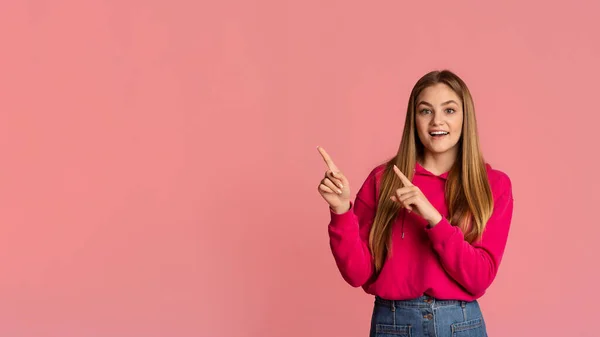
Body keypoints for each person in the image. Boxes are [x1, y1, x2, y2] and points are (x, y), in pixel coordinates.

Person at [316, 69, 514, 337]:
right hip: (394, 323)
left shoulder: (492, 184)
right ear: (414, 119)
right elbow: (357, 274)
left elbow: (480, 276)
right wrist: (340, 210)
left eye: (450, 110)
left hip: (460, 323)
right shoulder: (382, 180)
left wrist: (434, 219)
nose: (437, 121)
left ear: (466, 118)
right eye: (425, 111)